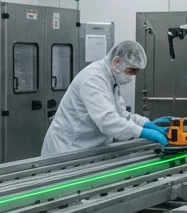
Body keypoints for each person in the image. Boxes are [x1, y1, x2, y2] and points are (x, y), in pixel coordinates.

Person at [41, 40, 173, 156]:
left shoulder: (110, 78)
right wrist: (143, 132)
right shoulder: (93, 78)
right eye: (132, 71)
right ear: (117, 62)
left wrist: (145, 123)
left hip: (86, 149)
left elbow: (120, 114)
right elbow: (108, 121)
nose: (133, 76)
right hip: (67, 149)